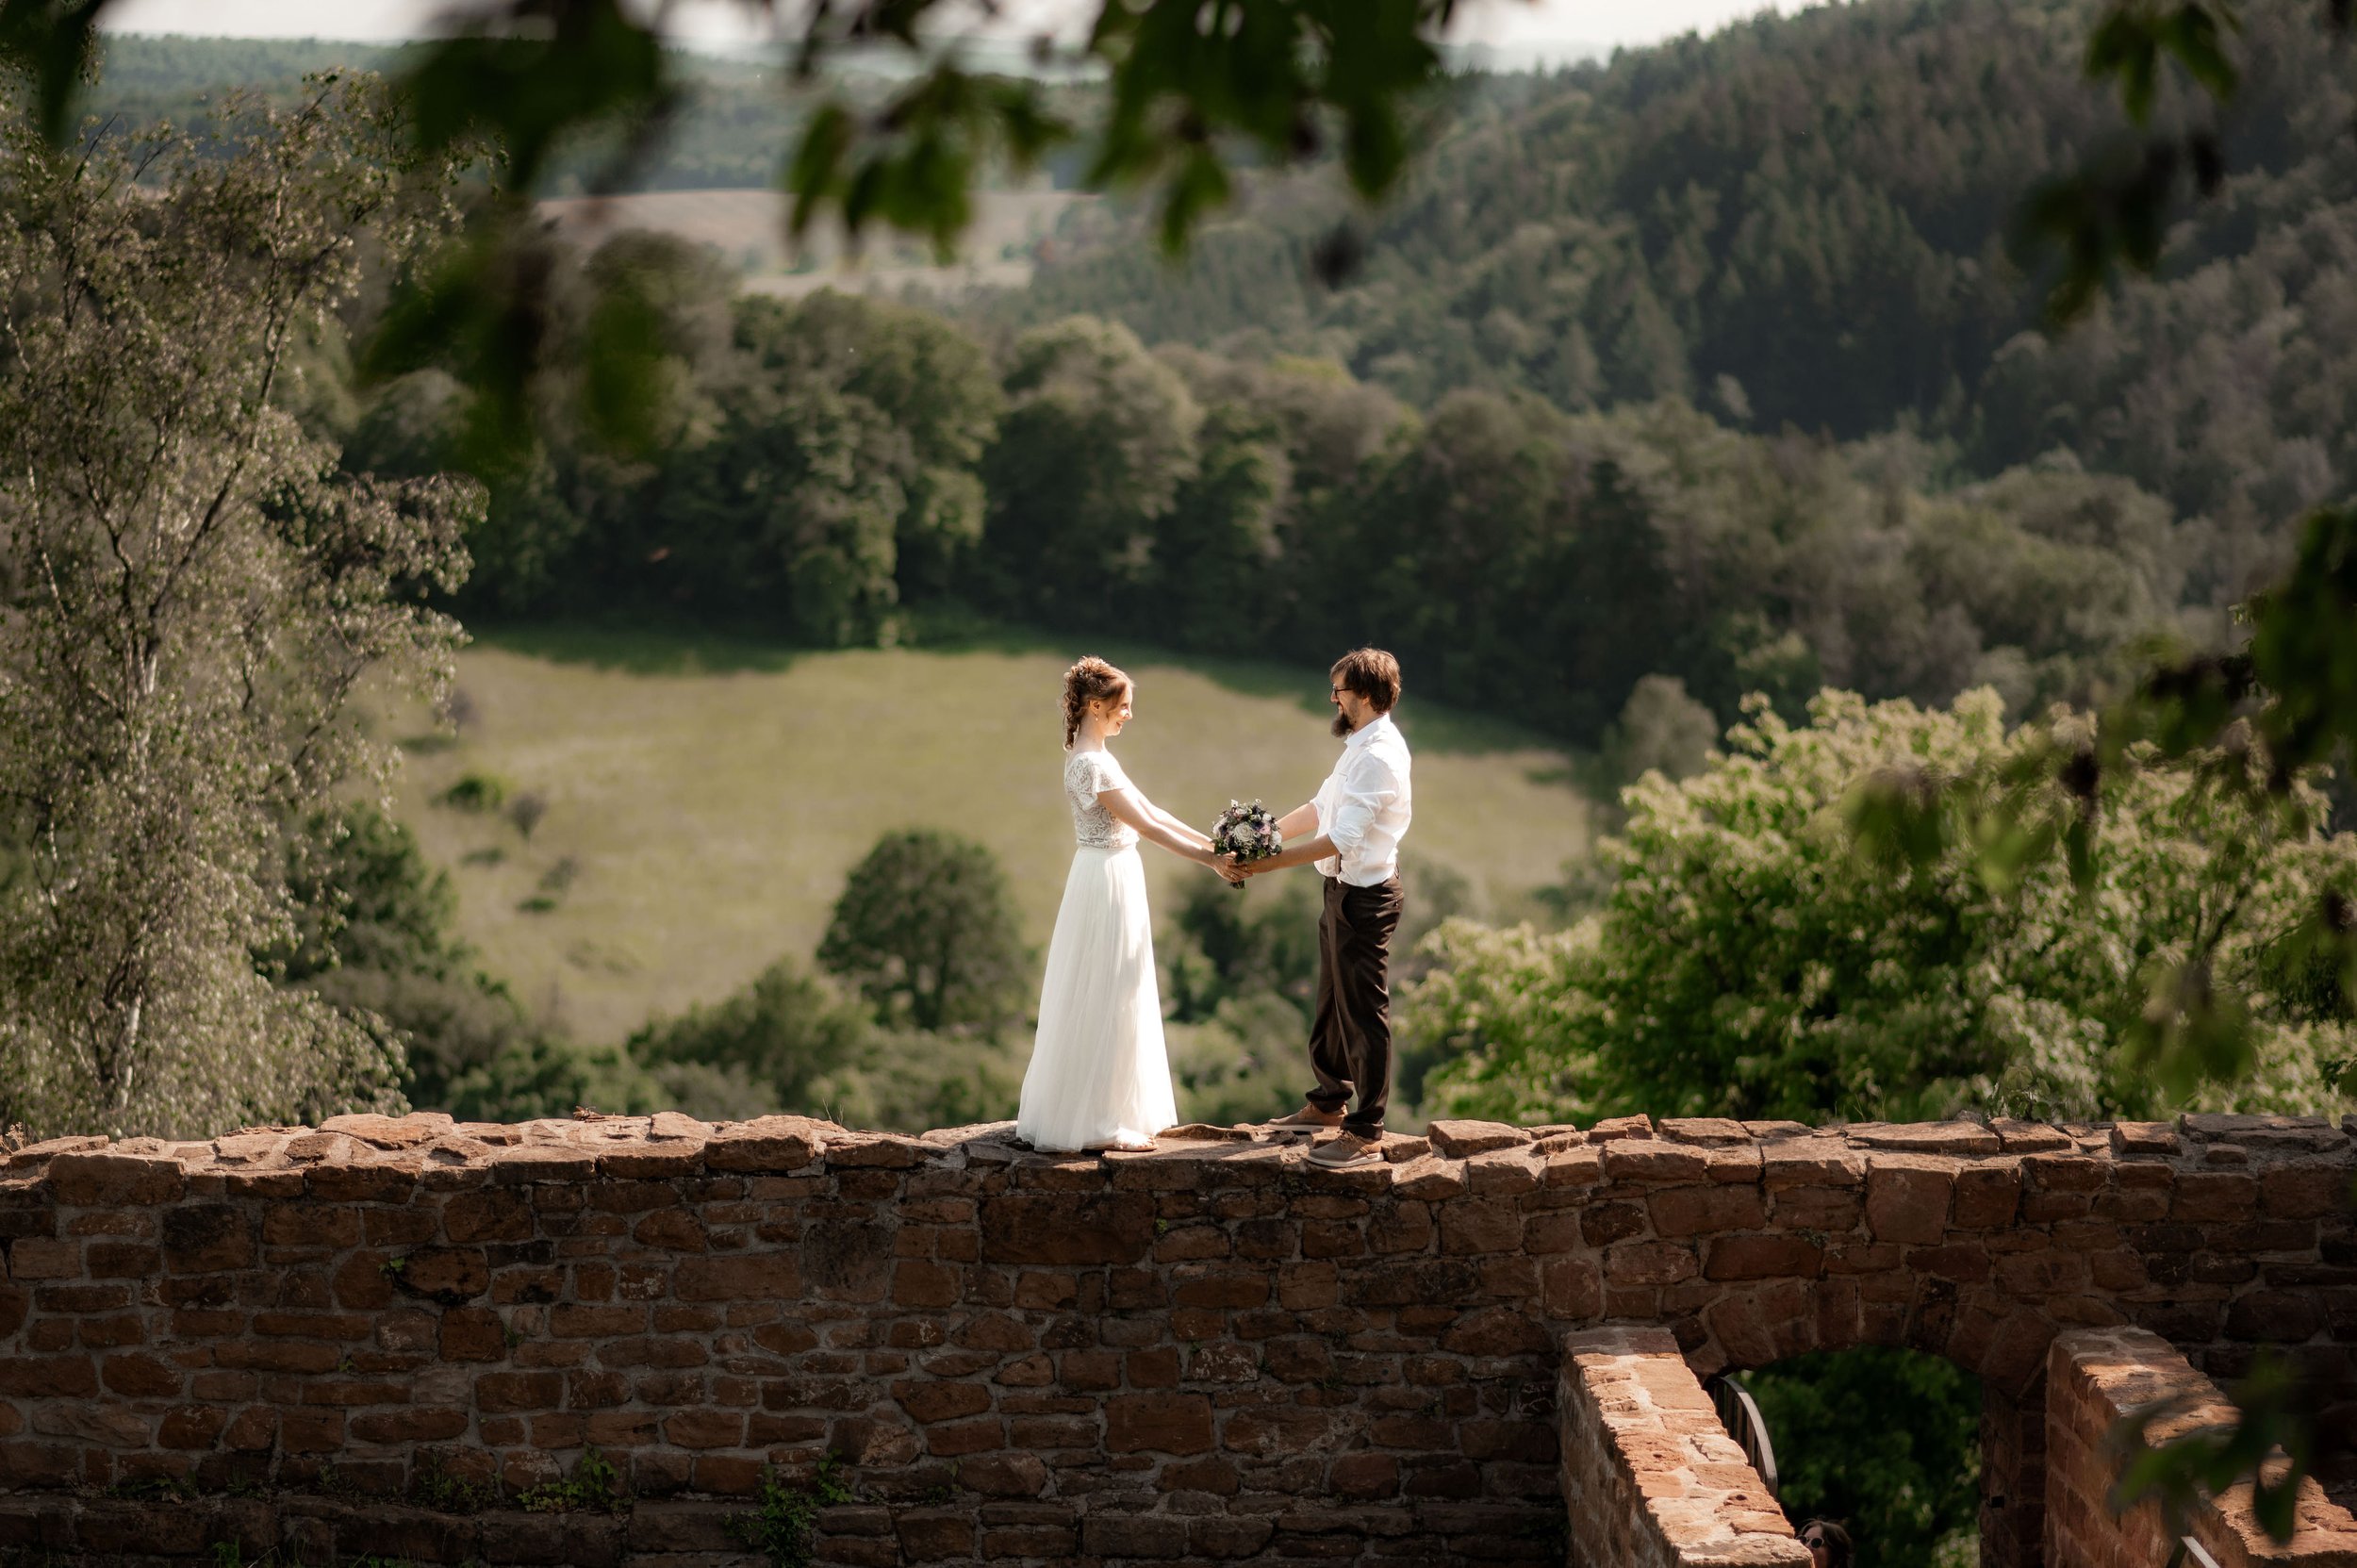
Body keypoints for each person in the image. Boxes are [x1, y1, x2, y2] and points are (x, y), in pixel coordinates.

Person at [1016, 656, 1241, 1153]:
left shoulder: (1095, 757)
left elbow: (1154, 811)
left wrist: (1215, 844)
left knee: (1117, 987)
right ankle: (1099, 1120)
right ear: (1095, 706)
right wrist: (1209, 861)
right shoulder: (1091, 764)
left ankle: (1110, 1110)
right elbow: (1147, 826)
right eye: (1123, 706)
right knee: (1109, 990)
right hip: (1106, 881)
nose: (1129, 714)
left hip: (1109, 874)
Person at [1229, 648, 1412, 1170]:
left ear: (1367, 696)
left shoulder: (1378, 756)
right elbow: (1319, 808)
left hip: (1365, 898)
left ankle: (1366, 1132)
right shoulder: (1359, 746)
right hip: (1340, 891)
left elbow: (1342, 838)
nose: (1333, 698)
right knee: (1331, 1002)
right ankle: (1328, 1105)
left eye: (1340, 691)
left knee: (1363, 1013)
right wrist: (1259, 838)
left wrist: (1264, 867)